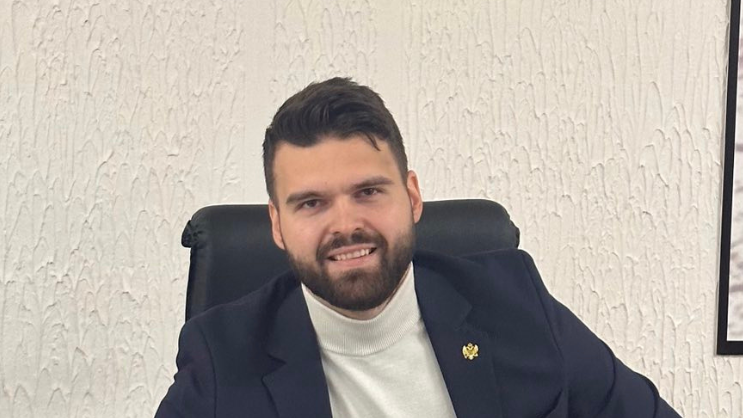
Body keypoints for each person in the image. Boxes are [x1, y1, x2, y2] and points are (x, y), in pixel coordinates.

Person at [155, 77, 681, 418]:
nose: (346, 225)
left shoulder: (517, 303)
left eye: (368, 192)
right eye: (312, 203)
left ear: (411, 196)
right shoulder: (221, 357)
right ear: (277, 224)